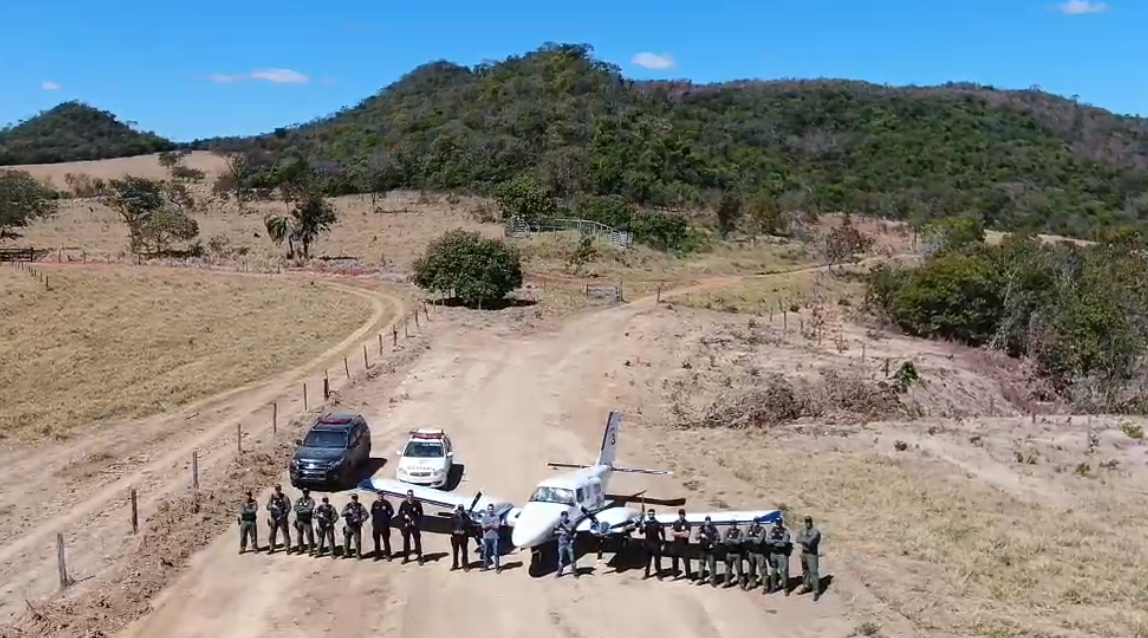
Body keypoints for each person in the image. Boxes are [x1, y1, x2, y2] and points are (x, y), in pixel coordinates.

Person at [796, 516, 822, 601]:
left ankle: (816, 591)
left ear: (811, 522)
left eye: (809, 522)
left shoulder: (815, 532)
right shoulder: (802, 530)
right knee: (805, 571)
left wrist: (803, 539)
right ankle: (806, 586)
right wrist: (804, 540)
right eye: (806, 522)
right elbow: (797, 539)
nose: (807, 523)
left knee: (813, 572)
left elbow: (810, 542)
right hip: (804, 553)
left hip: (812, 554)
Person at [766, 517, 793, 595]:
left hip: (782, 555)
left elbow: (784, 543)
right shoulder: (772, 530)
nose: (778, 524)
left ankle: (786, 588)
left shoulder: (785, 531)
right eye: (777, 523)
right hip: (773, 554)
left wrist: (774, 542)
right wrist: (776, 541)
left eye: (779, 522)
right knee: (773, 571)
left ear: (781, 522)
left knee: (783, 572)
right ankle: (773, 587)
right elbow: (768, 540)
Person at [398, 490, 424, 564]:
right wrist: (404, 517)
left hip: (414, 526)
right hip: (406, 526)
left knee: (417, 541)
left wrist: (415, 521)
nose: (410, 497)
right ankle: (406, 557)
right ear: (407, 496)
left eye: (411, 495)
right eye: (408, 495)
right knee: (406, 542)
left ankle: (419, 557)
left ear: (413, 496)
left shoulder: (417, 504)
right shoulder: (403, 504)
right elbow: (400, 514)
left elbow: (421, 514)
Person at [639, 508, 666, 580]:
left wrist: (663, 544)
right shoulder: (646, 523)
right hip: (648, 544)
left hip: (656, 544)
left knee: (657, 561)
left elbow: (663, 534)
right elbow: (641, 532)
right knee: (647, 561)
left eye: (652, 514)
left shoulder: (658, 524)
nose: (651, 515)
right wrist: (642, 527)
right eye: (649, 514)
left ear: (654, 514)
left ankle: (659, 574)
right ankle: (646, 574)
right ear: (648, 515)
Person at [266, 484, 292, 554]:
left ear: (281, 489)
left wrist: (284, 515)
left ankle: (287, 548)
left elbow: (288, 507)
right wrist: (272, 506)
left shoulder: (284, 497)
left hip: (282, 518)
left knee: (285, 533)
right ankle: (271, 547)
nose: (278, 491)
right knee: (272, 534)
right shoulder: (272, 497)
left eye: (279, 489)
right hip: (274, 518)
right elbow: (267, 506)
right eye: (276, 489)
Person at [341, 493, 368, 559]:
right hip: (349, 525)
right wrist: (347, 512)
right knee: (346, 540)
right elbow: (342, 514)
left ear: (357, 498)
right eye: (353, 498)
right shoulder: (347, 505)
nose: (354, 500)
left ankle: (358, 554)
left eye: (355, 498)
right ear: (351, 499)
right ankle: (346, 553)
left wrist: (361, 520)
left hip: (356, 526)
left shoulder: (360, 506)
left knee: (357, 541)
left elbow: (366, 514)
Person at [695, 516, 720, 586]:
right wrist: (700, 535)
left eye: (708, 521)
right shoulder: (701, 528)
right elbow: (696, 537)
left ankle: (712, 580)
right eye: (706, 520)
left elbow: (718, 538)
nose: (707, 522)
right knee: (701, 564)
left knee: (712, 565)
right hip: (702, 549)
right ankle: (701, 579)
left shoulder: (713, 529)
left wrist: (714, 544)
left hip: (710, 550)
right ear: (705, 521)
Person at [744, 518, 767, 590]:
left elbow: (759, 541)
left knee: (763, 570)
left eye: (757, 522)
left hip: (759, 553)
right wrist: (753, 538)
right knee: (751, 570)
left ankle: (765, 586)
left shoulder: (762, 530)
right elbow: (745, 538)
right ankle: (752, 583)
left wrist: (751, 539)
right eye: (754, 522)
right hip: (751, 553)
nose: (755, 523)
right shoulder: (749, 529)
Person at [669, 509, 693, 580]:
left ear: (685, 515)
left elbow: (687, 535)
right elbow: (672, 533)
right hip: (676, 545)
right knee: (674, 561)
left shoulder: (687, 524)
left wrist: (677, 533)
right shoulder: (675, 523)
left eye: (683, 514)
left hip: (685, 546)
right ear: (679, 515)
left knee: (686, 561)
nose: (682, 516)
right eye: (680, 514)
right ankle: (675, 575)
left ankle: (688, 577)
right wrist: (682, 533)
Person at [370, 492, 394, 561]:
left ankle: (388, 555)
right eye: (379, 495)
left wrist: (387, 519)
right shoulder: (374, 503)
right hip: (376, 526)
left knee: (386, 541)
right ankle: (377, 555)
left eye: (381, 495)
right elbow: (372, 512)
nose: (380, 496)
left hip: (384, 526)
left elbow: (391, 512)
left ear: (383, 496)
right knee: (376, 541)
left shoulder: (387, 503)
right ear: (377, 496)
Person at [722, 521, 745, 588]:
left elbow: (738, 542)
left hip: (737, 554)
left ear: (736, 525)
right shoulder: (726, 531)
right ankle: (727, 582)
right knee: (728, 569)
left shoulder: (739, 532)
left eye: (734, 524)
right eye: (731, 524)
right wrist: (733, 540)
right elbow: (724, 541)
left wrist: (730, 540)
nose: (733, 526)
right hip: (729, 553)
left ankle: (742, 583)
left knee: (739, 569)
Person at [293, 488, 316, 555]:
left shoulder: (311, 500)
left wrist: (301, 509)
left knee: (309, 536)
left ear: (308, 492)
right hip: (299, 520)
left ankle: (310, 550)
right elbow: (295, 508)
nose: (305, 493)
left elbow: (309, 509)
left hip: (307, 521)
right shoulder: (299, 500)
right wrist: (304, 509)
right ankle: (300, 549)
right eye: (304, 492)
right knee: (299, 536)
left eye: (306, 492)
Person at [555, 510, 577, 578]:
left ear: (567, 517)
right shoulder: (558, 524)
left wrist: (573, 539)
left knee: (572, 559)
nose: (564, 518)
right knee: (561, 559)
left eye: (565, 517)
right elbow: (554, 532)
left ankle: (575, 572)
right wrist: (560, 532)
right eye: (563, 517)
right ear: (561, 517)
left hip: (569, 544)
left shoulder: (571, 524)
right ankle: (559, 572)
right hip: (561, 544)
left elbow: (575, 532)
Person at [449, 504, 472, 571]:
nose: (461, 511)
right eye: (459, 510)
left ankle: (465, 565)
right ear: (457, 510)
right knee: (455, 551)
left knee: (464, 551)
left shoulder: (466, 517)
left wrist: (465, 532)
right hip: (455, 537)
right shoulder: (453, 517)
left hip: (464, 537)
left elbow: (469, 526)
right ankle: (455, 565)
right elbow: (450, 527)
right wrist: (454, 531)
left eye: (462, 510)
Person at [480, 503, 501, 572]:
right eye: (489, 509)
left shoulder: (497, 516)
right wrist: (492, 524)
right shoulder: (484, 517)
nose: (490, 510)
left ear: (493, 509)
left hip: (495, 537)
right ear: (487, 510)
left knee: (496, 553)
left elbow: (497, 526)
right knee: (485, 553)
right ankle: (485, 566)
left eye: (491, 509)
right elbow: (483, 527)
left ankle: (497, 567)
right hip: (486, 537)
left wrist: (487, 525)